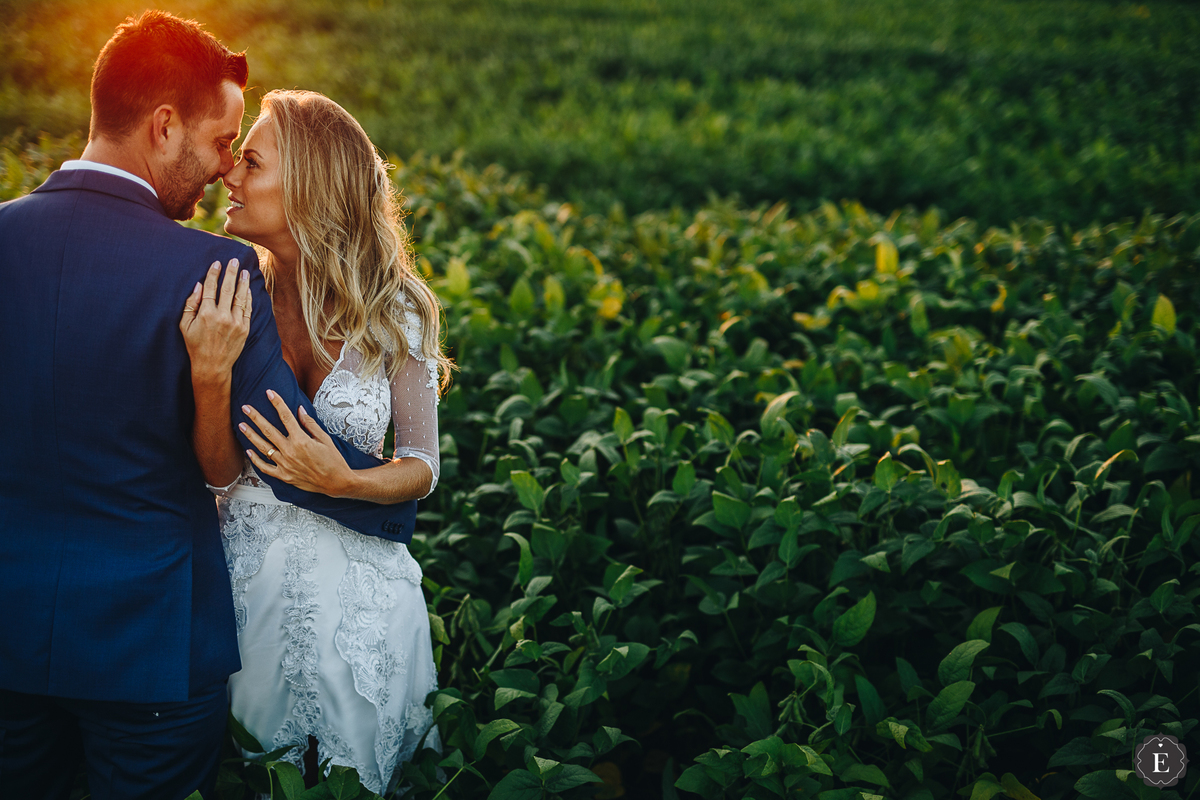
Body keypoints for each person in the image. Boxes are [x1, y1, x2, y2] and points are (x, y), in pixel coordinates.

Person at [0, 13, 417, 800]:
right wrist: (397, 503)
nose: (225, 166)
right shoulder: (215, 268)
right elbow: (282, 453)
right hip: (149, 655)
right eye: (223, 141)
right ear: (164, 127)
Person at [182, 89, 451, 794]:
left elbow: (422, 464)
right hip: (245, 596)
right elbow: (218, 475)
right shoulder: (230, 295)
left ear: (307, 182)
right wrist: (210, 377)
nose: (229, 177)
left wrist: (348, 482)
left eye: (251, 162)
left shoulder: (396, 309)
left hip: (361, 605)